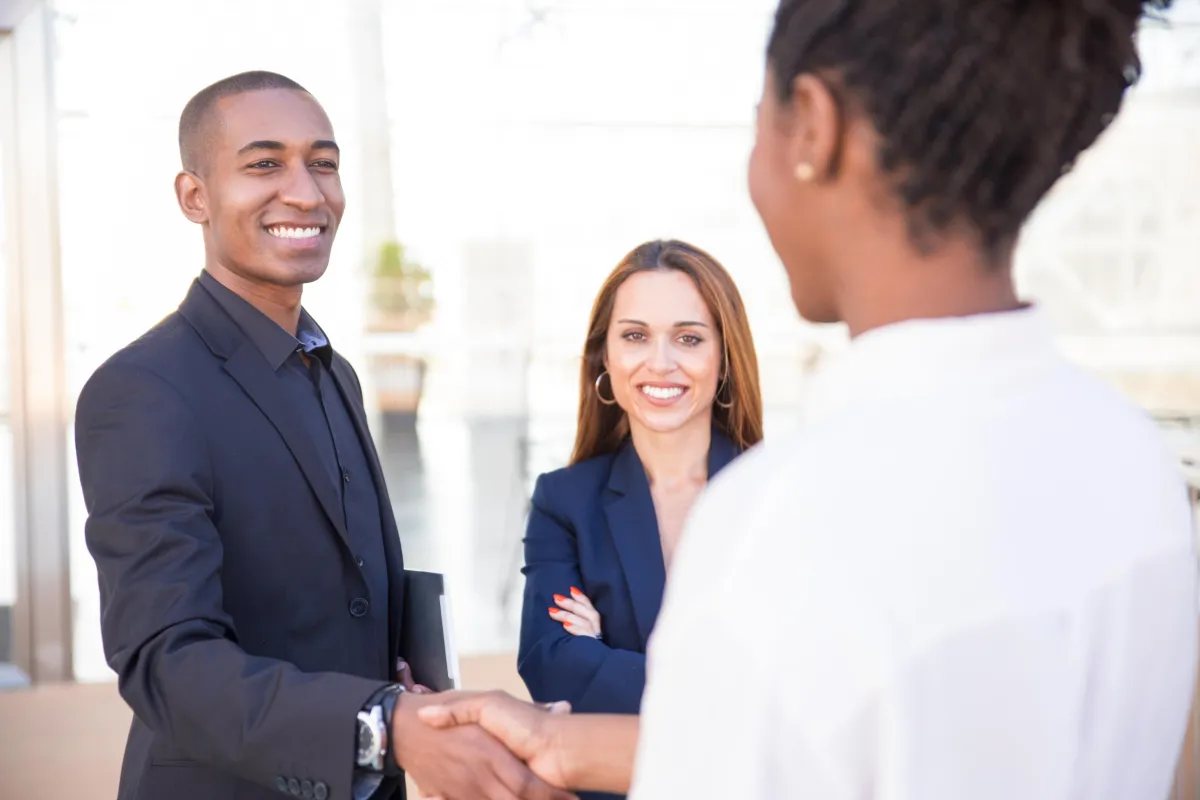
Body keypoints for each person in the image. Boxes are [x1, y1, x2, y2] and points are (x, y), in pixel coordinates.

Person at [416, 1, 1200, 798]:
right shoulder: (1138, 465)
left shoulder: (782, 516)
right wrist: (561, 737)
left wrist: (556, 744)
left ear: (813, 129)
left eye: (759, 119)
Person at [74, 70, 572, 800]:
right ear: (195, 197)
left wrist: (428, 706)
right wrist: (382, 725)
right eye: (264, 163)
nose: (307, 192)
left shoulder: (333, 372)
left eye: (325, 163)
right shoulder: (144, 390)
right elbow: (167, 664)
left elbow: (348, 608)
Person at [517, 240, 763, 798]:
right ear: (605, 356)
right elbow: (551, 666)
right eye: (634, 336)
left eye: (689, 338)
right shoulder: (564, 502)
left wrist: (607, 657)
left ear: (724, 358)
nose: (660, 362)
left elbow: (796, 683)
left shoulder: (776, 492)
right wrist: (717, 691)